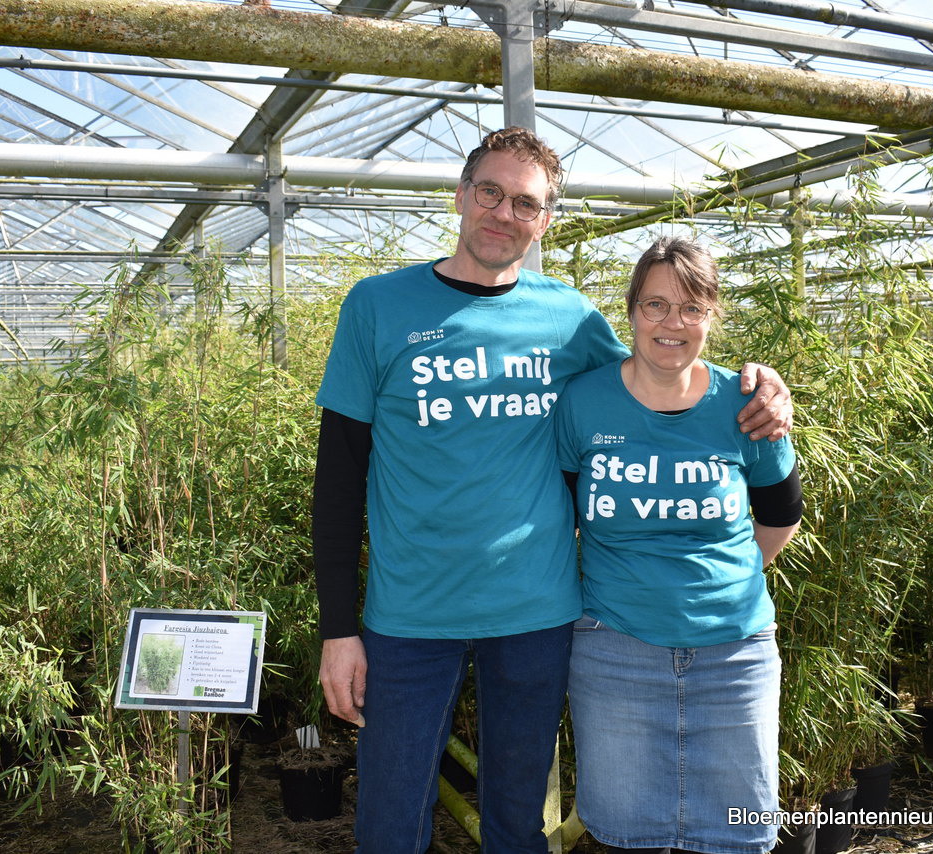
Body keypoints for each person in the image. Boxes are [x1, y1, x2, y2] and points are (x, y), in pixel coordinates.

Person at [312, 128, 793, 853]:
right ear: (461, 195)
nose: (504, 213)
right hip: (410, 612)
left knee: (517, 821)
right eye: (491, 192)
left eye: (526, 203)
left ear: (544, 221)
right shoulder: (377, 306)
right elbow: (339, 480)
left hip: (535, 612)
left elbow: (658, 371)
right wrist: (337, 630)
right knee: (389, 817)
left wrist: (759, 387)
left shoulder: (568, 318)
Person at [556, 237, 803, 854]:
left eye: (692, 307)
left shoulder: (747, 404)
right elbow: (561, 519)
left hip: (735, 656)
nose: (673, 323)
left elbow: (781, 516)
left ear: (712, 315)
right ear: (632, 310)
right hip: (614, 650)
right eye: (656, 305)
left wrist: (720, 584)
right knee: (627, 834)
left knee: (735, 835)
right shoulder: (584, 403)